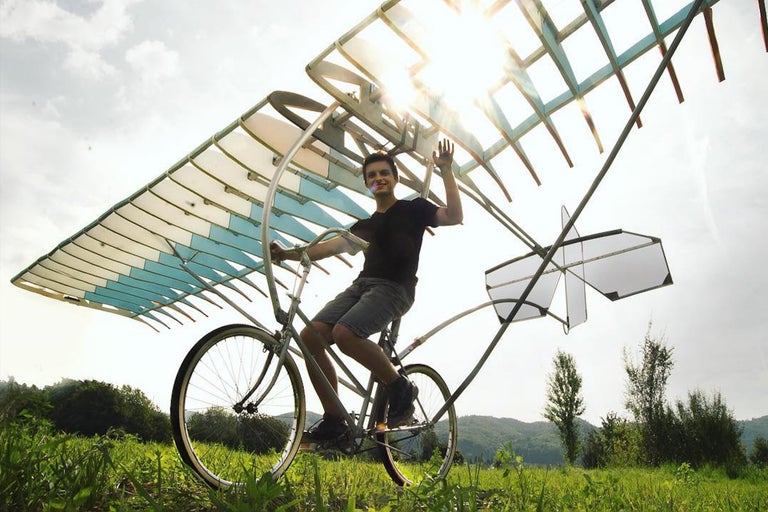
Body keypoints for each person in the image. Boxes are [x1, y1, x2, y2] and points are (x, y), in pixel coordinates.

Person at [270, 138, 463, 443]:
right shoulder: (365, 226)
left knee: (346, 333)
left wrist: (447, 171)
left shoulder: (414, 209)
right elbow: (328, 247)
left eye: (384, 173)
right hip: (361, 287)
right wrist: (288, 254)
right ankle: (335, 419)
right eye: (371, 176)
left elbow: (454, 216)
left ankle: (401, 386)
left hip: (395, 289)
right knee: (310, 337)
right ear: (367, 185)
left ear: (395, 178)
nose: (378, 179)